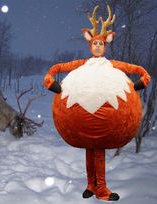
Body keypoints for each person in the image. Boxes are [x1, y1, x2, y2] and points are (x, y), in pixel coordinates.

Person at [44, 5, 151, 201]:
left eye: (101, 44)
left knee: (98, 152)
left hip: (106, 122)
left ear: (106, 44)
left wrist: (141, 83)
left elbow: (138, 70)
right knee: (90, 151)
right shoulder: (82, 64)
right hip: (81, 121)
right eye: (95, 43)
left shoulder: (112, 65)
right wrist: (51, 83)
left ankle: (102, 189)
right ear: (90, 44)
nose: (98, 46)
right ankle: (91, 185)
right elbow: (58, 68)